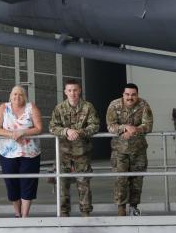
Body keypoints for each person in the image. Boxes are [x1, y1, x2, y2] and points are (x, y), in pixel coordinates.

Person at [49, 79, 100, 217]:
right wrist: (66, 131)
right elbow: (52, 127)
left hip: (82, 152)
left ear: (80, 90)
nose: (73, 93)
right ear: (65, 92)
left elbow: (95, 125)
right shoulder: (59, 108)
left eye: (75, 90)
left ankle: (86, 213)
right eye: (70, 90)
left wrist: (79, 132)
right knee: (62, 184)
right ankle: (64, 213)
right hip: (64, 152)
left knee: (83, 183)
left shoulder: (88, 107)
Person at [0, 85, 43, 218]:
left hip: (30, 152)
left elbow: (39, 128)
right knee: (11, 183)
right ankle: (17, 213)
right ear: (10, 96)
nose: (17, 97)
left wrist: (23, 132)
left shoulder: (31, 107)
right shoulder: (4, 107)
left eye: (20, 94)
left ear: (24, 96)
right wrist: (13, 134)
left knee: (28, 182)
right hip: (8, 153)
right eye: (14, 94)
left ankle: (25, 215)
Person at [106, 83, 154, 216]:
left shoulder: (144, 105)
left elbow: (148, 125)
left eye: (133, 95)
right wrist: (125, 128)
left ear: (137, 95)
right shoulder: (114, 105)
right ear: (123, 94)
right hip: (119, 151)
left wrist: (135, 130)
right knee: (120, 179)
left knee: (137, 180)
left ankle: (134, 206)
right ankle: (121, 208)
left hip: (138, 150)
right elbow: (110, 126)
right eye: (127, 94)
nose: (130, 97)